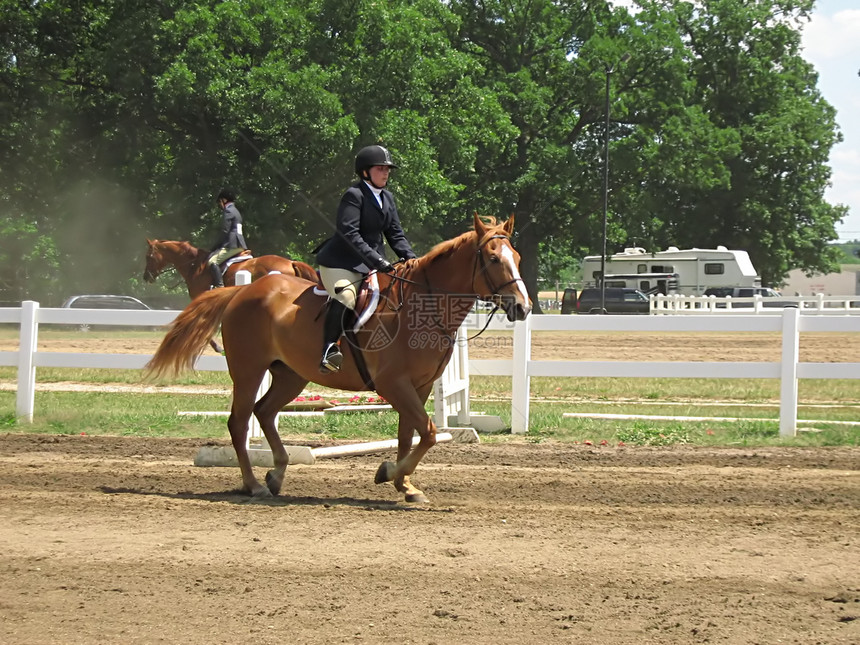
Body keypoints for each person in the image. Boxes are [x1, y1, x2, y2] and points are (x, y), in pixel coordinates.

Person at [315, 145, 418, 373]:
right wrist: (377, 261)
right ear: (365, 172)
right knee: (347, 295)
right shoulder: (354, 195)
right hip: (341, 263)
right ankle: (328, 350)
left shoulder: (387, 198)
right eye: (380, 168)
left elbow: (395, 234)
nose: (386, 172)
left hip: (370, 262)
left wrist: (411, 259)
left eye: (388, 169)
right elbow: (349, 233)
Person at [207, 188, 248, 288]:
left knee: (213, 261)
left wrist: (216, 245)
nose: (219, 205)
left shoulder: (228, 211)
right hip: (239, 243)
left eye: (219, 202)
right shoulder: (236, 211)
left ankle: (219, 286)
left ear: (224, 200)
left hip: (232, 245)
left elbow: (225, 231)